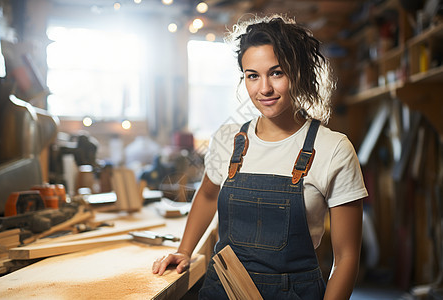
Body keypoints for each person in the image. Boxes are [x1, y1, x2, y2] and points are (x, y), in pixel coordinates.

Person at [152, 14, 368, 300]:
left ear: (299, 73)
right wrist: (184, 250)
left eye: (276, 73)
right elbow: (206, 196)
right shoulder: (229, 139)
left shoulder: (334, 149)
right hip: (223, 288)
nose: (264, 88)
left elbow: (347, 256)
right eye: (253, 75)